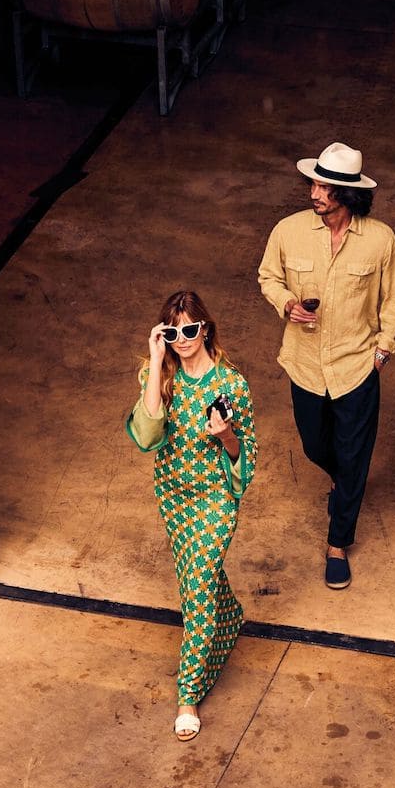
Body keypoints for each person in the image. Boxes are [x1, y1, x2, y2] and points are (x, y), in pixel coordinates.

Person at [257, 142, 395, 591]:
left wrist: (381, 352)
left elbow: (394, 298)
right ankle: (345, 488)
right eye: (314, 182)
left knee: (355, 457)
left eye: (325, 186)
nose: (314, 192)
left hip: (357, 367)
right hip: (304, 364)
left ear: (348, 194)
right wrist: (286, 304)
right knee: (315, 446)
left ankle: (338, 543)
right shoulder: (289, 230)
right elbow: (269, 276)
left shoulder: (381, 239)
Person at [125, 289, 257, 741]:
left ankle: (187, 695)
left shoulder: (232, 385)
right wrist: (155, 359)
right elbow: (145, 435)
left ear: (206, 329)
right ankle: (232, 616)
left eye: (190, 330)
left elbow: (248, 458)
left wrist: (227, 437)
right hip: (174, 495)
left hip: (216, 497)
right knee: (196, 577)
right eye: (173, 331)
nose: (183, 339)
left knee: (197, 587)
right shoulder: (158, 375)